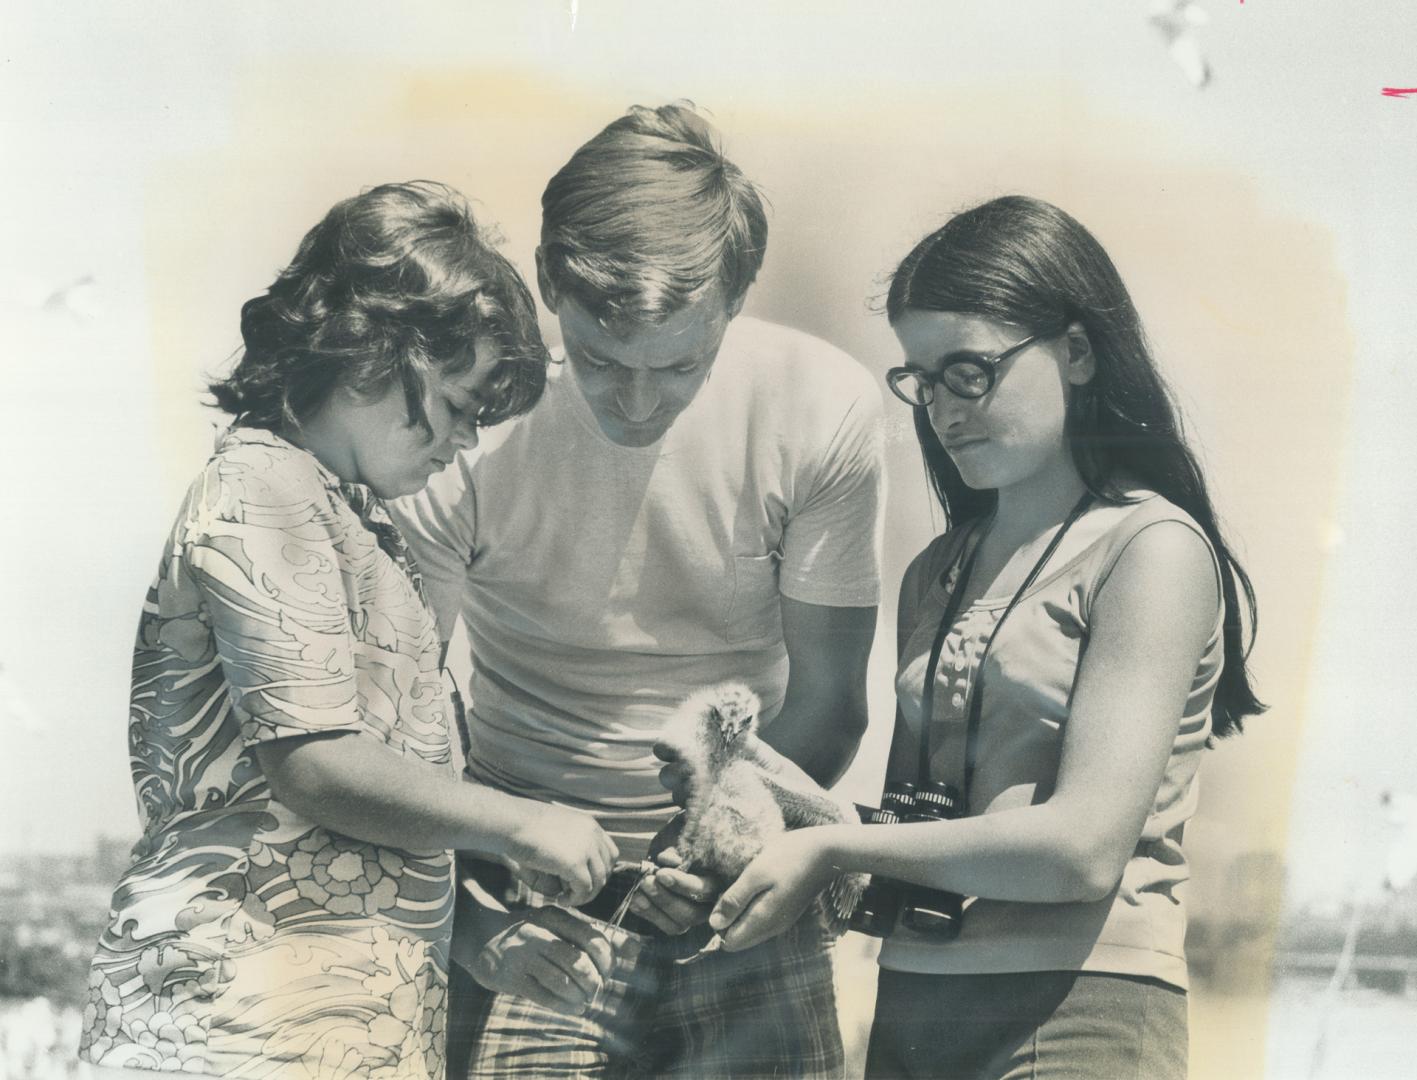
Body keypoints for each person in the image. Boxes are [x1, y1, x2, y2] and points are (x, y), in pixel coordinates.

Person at [710, 195, 1264, 1078]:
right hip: (912, 1003)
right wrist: (759, 799)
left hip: (1080, 1006)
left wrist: (830, 845)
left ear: (1076, 352)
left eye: (969, 371)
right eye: (921, 381)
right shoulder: (939, 569)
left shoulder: (1150, 550)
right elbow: (919, 828)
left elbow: (1080, 851)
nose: (942, 409)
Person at [80, 181, 618, 1080]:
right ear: (369, 349)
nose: (466, 445)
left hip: (333, 1023)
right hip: (236, 1023)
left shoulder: (356, 525)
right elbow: (318, 764)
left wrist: (480, 935)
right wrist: (523, 822)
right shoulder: (264, 486)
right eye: (456, 406)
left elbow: (355, 826)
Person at [390, 104, 884, 1078]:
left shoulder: (822, 408)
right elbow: (403, 723)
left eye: (681, 366)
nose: (640, 402)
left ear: (734, 301)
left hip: (740, 881)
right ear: (545, 287)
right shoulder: (462, 428)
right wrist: (485, 913)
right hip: (519, 889)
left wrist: (708, 859)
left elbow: (830, 703)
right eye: (605, 362)